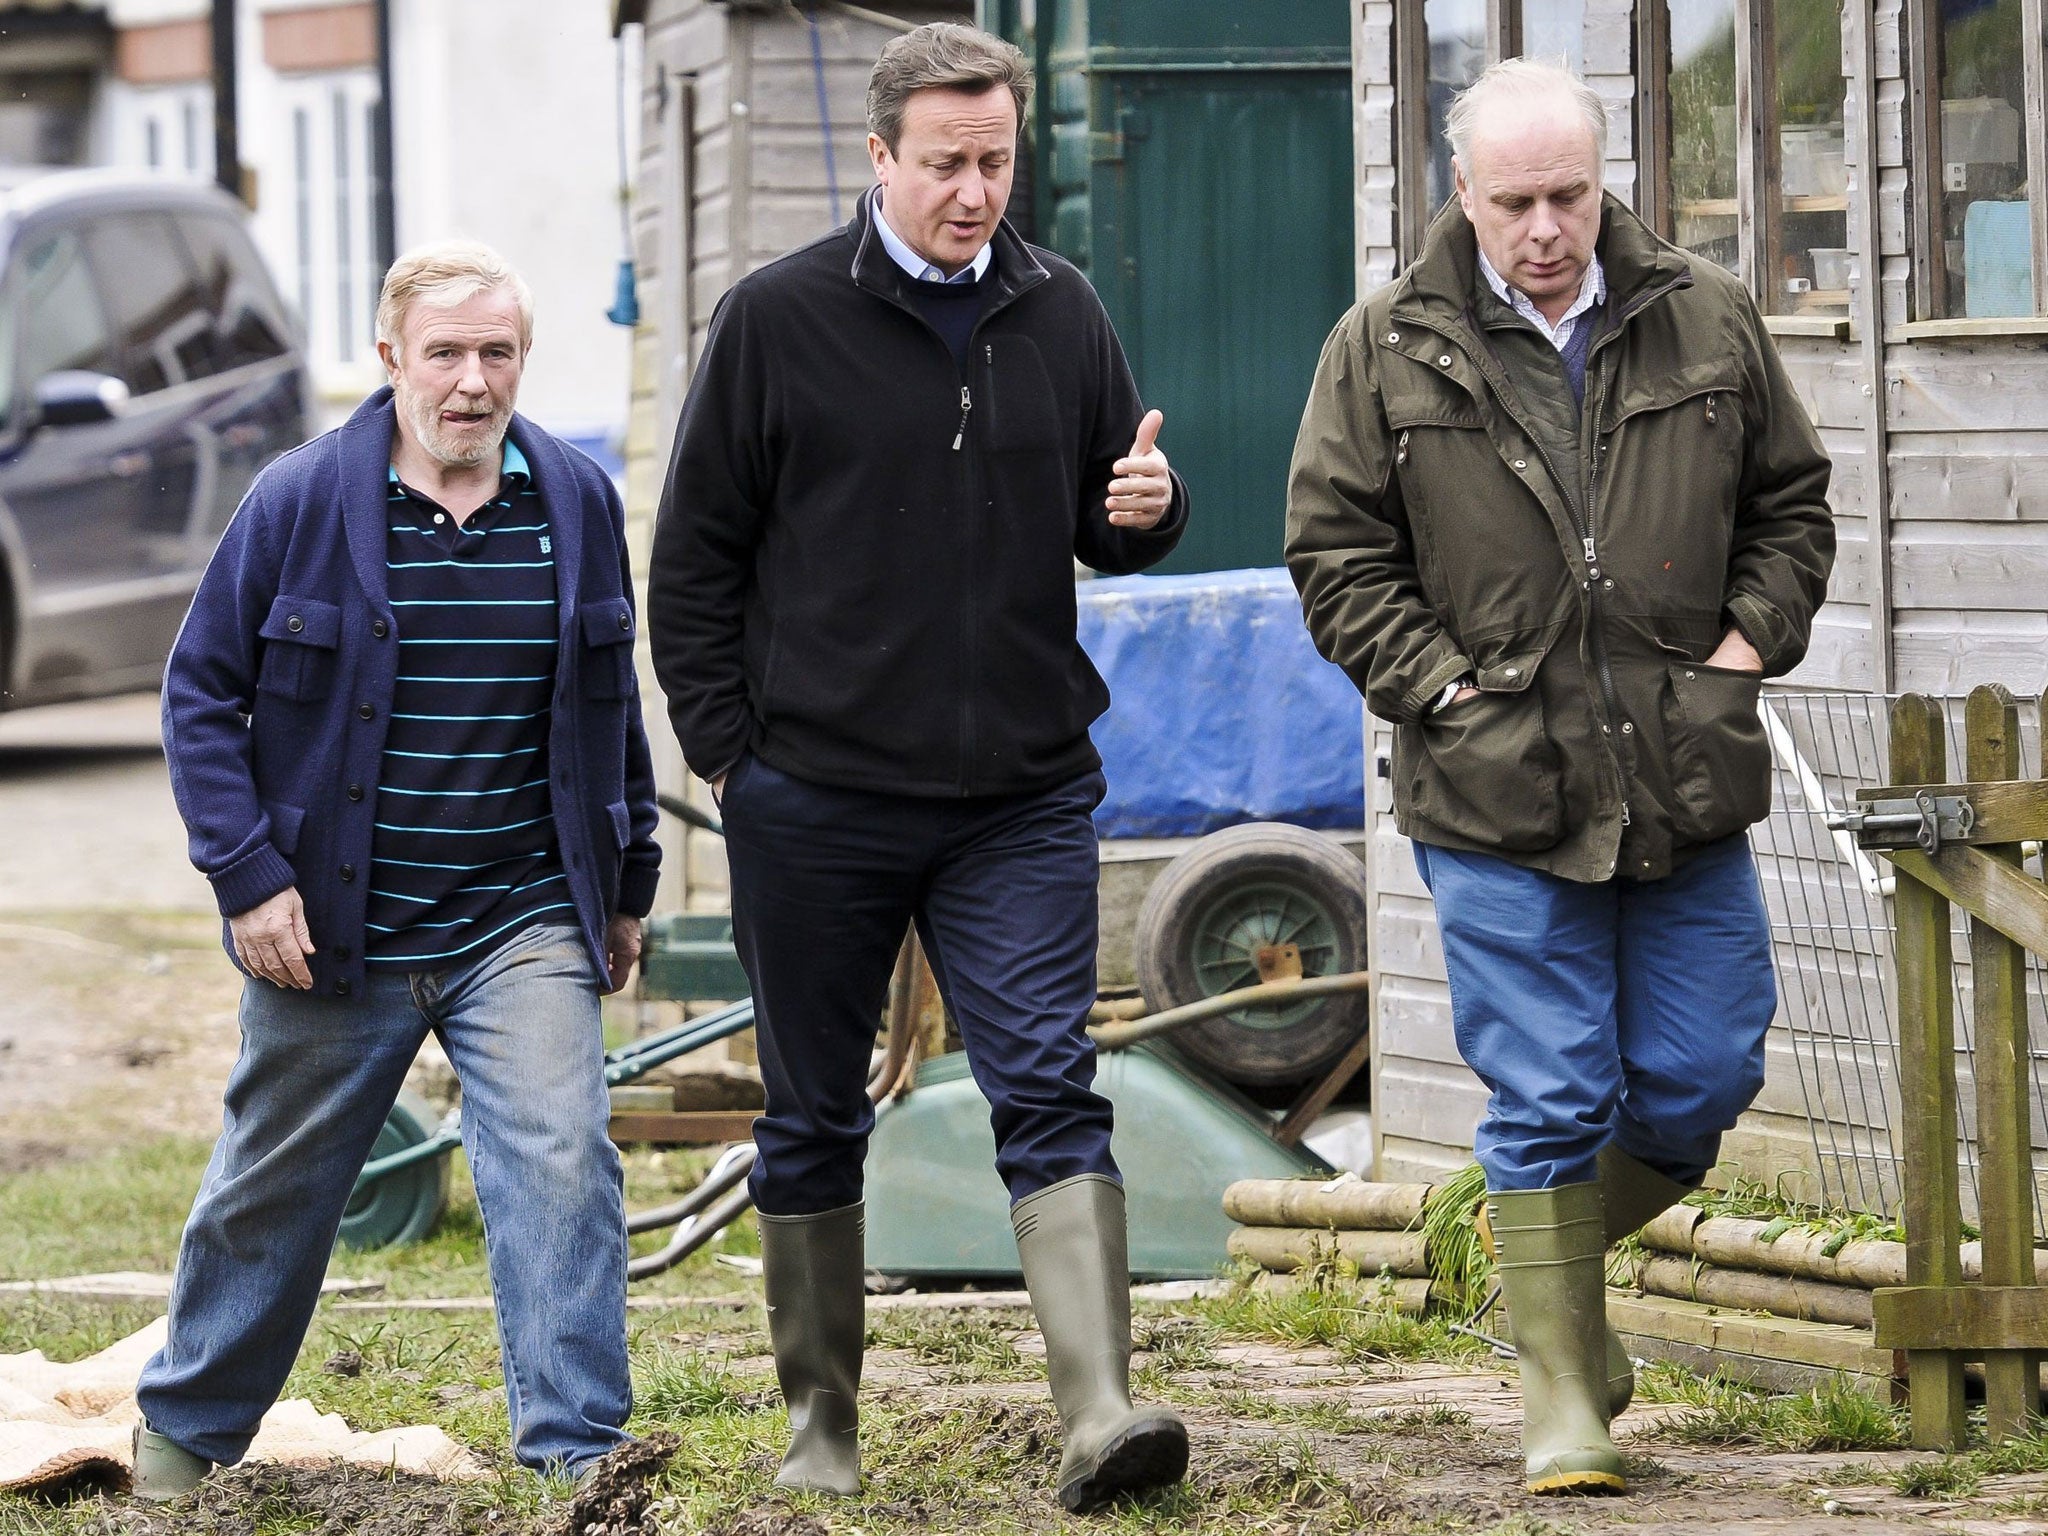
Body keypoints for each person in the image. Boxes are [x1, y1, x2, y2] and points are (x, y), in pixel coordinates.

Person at [648, 20, 1192, 1513]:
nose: (974, 192)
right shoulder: (774, 320)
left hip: (1017, 795)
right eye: (946, 164)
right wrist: (737, 764)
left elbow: (1108, 511)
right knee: (814, 1109)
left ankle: (1101, 1413)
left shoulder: (1062, 309)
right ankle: (823, 1426)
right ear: (880, 159)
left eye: (997, 162)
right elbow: (691, 568)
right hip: (814, 797)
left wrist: (1149, 504)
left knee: (1048, 1085)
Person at [1286, 58, 1833, 1495]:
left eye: (1570, 196)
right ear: (1462, 194)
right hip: (1495, 782)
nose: (1547, 228)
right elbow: (1336, 555)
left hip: (1684, 770)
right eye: (1516, 200)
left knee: (1700, 1074)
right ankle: (1561, 1399)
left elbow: (1793, 507)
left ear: (1606, 182)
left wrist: (1740, 651)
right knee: (1549, 1093)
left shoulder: (1703, 317)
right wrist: (1439, 690)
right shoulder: (1385, 343)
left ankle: (1539, 1285)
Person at [134, 242, 661, 1496]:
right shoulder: (302, 499)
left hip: (520, 915)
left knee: (560, 1163)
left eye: (497, 354)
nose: (472, 382)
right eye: (446, 353)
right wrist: (249, 876)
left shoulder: (577, 501)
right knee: (275, 1186)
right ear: (390, 359)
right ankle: (180, 1445)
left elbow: (609, 709)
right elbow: (200, 694)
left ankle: (578, 1463)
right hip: (332, 924)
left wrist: (627, 884)